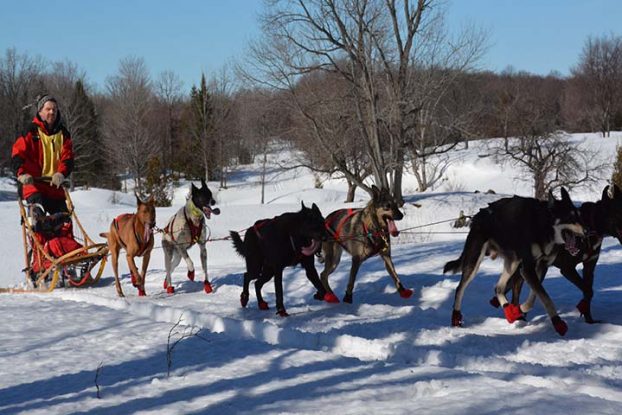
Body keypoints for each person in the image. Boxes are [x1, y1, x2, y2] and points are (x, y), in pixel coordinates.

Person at [12, 94, 74, 216]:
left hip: (55, 186)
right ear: (40, 112)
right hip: (33, 185)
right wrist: (22, 174)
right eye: (48, 109)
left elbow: (68, 158)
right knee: (38, 219)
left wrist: (61, 173)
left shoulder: (64, 134)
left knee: (64, 221)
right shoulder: (30, 131)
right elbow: (18, 154)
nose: (52, 112)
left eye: (54, 109)